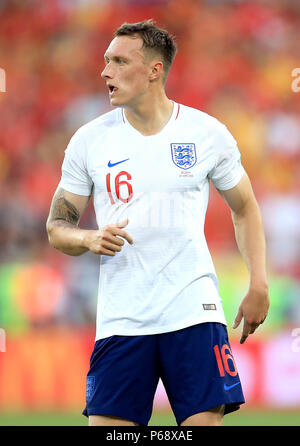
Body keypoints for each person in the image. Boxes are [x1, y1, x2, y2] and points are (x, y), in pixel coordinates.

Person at [46, 20, 270, 426]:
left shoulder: (206, 134)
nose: (105, 71)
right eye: (105, 60)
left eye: (118, 61)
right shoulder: (89, 141)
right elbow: (57, 227)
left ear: (154, 70)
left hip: (193, 313)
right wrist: (89, 237)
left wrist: (259, 283)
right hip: (122, 318)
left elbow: (245, 207)